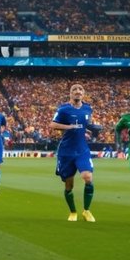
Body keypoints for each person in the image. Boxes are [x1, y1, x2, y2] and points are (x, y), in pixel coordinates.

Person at [51, 82, 98, 222]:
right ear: (70, 94)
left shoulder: (88, 109)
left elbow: (85, 124)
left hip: (82, 149)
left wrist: (91, 129)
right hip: (66, 151)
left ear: (83, 93)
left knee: (88, 177)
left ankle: (86, 211)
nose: (78, 91)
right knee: (69, 184)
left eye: (80, 89)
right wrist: (69, 127)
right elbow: (52, 124)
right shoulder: (63, 109)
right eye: (74, 89)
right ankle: (73, 212)